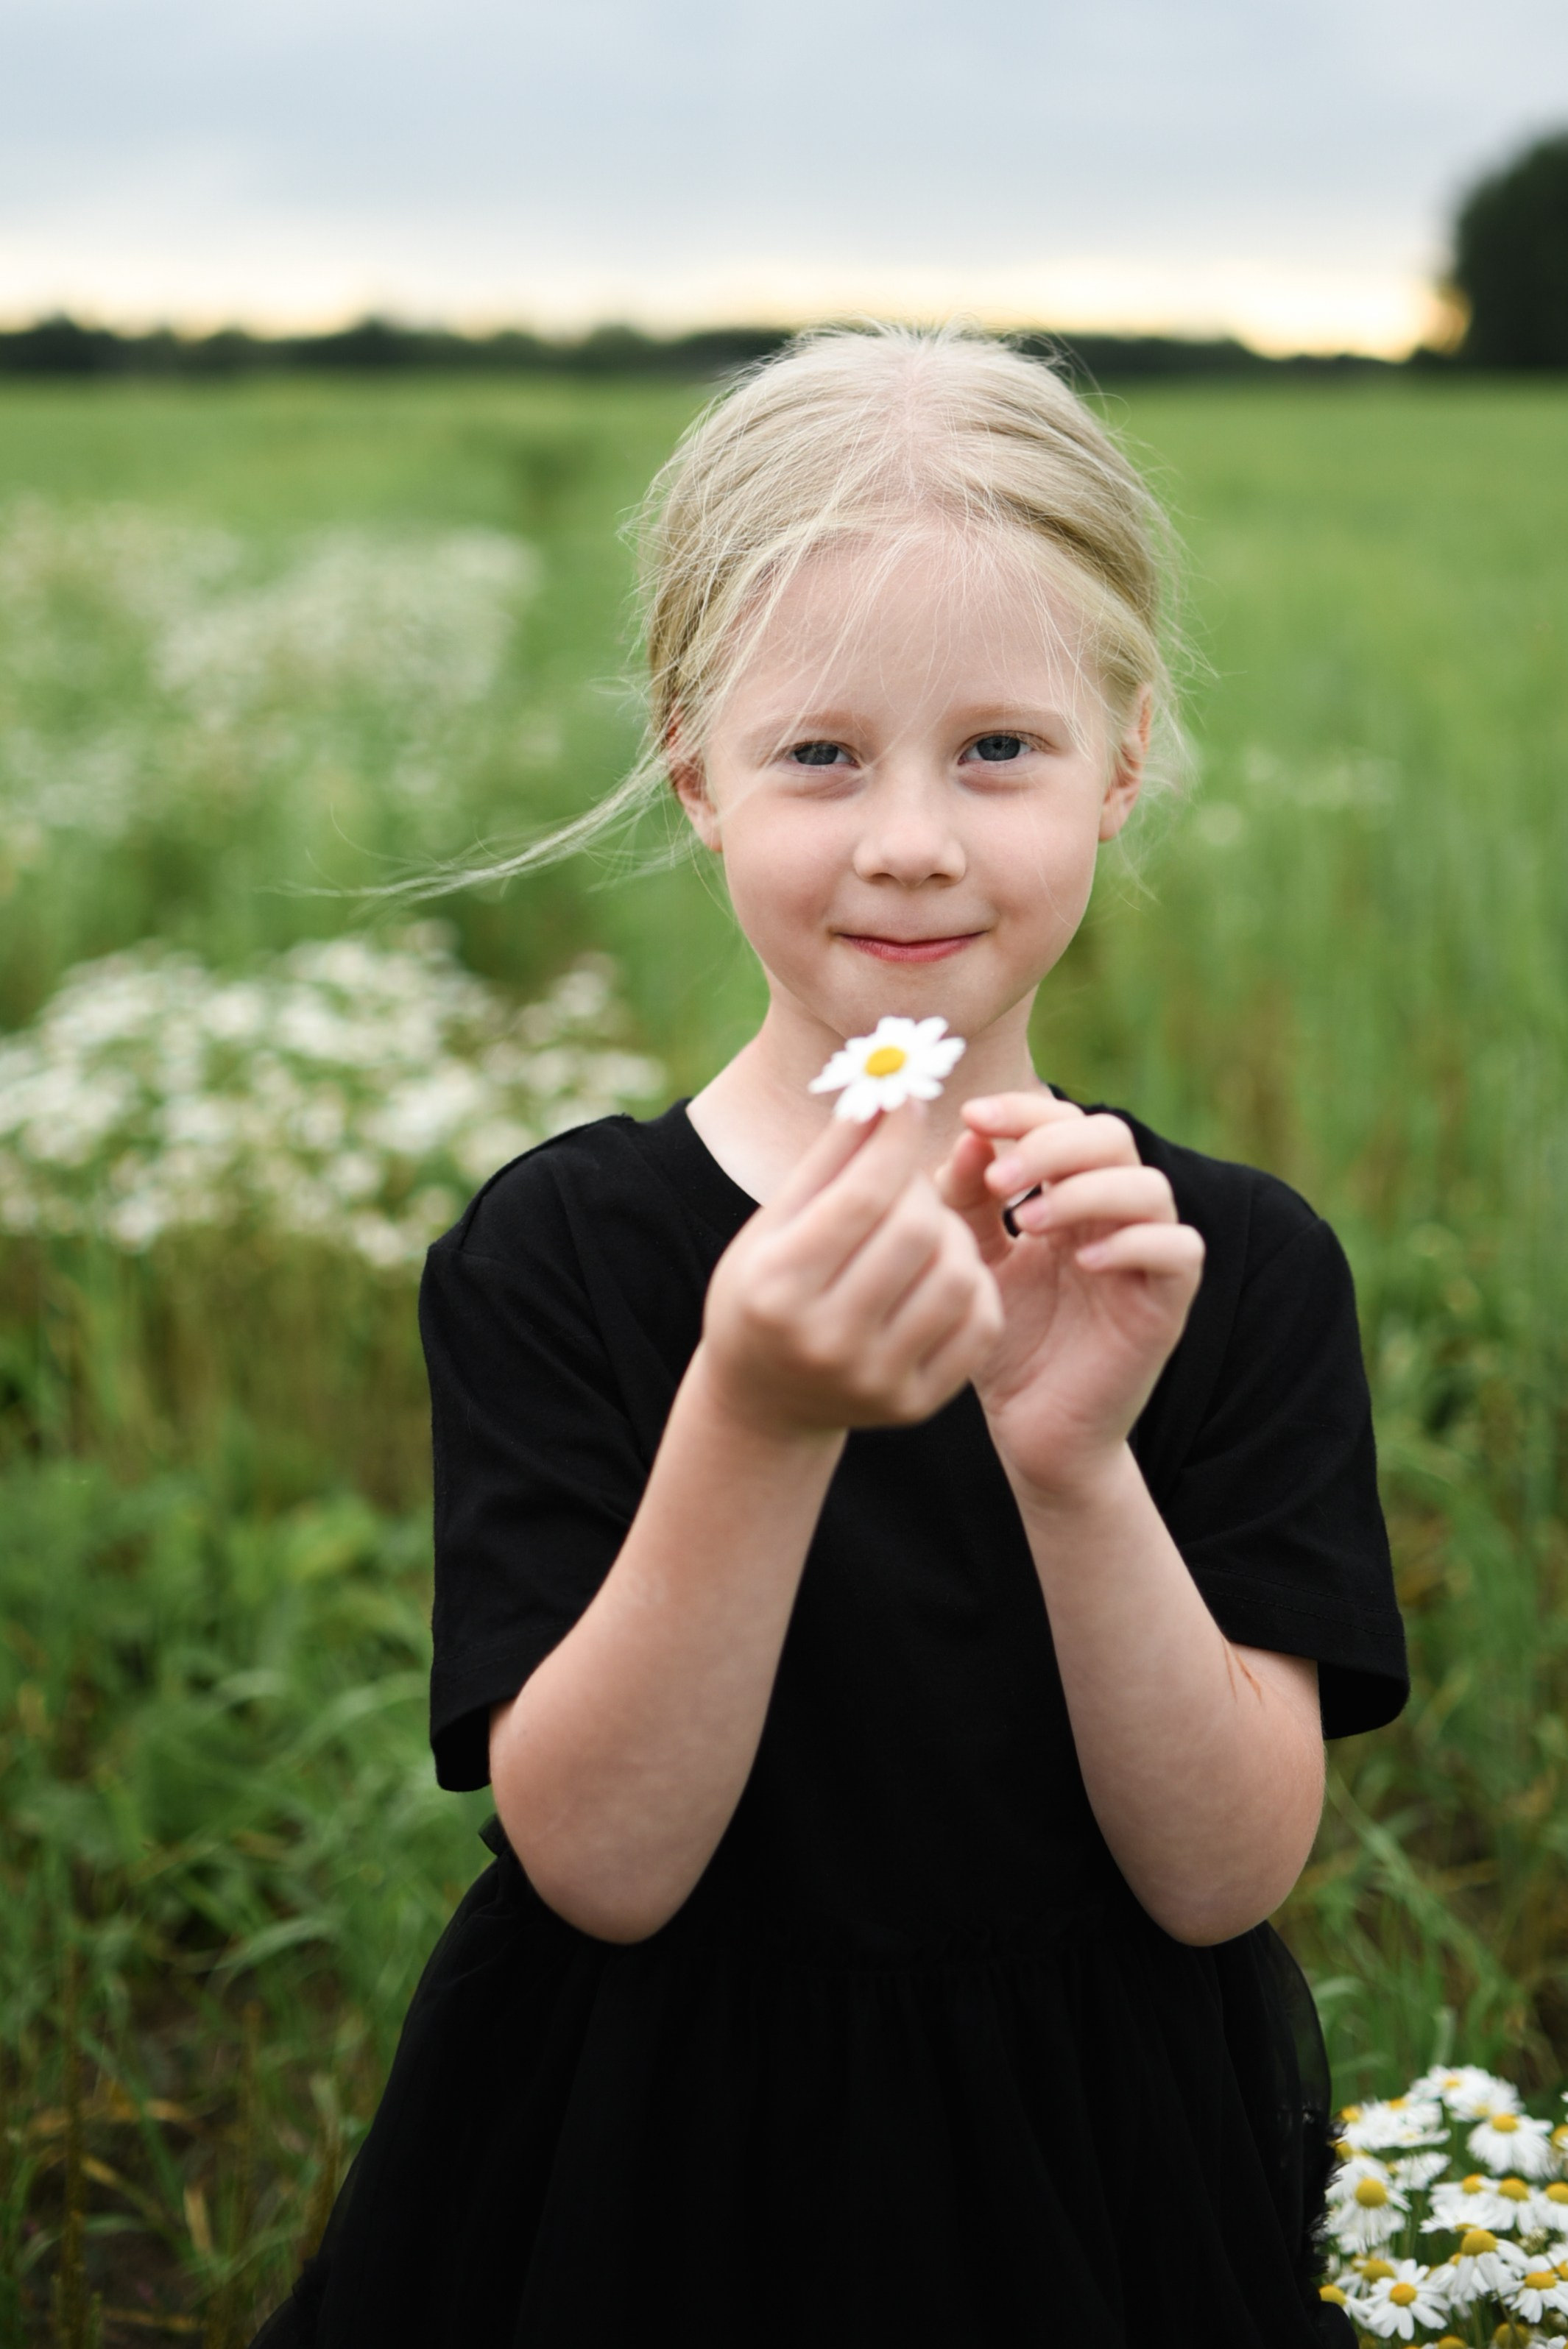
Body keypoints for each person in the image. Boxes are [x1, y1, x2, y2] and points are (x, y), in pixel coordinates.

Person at [252, 325, 1407, 2348]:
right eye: (819, 754)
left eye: (999, 747)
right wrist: (757, 1411)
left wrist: (1073, 1462)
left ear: (1125, 756)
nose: (909, 838)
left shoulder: (1215, 1265)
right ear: (692, 767)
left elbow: (1221, 1879)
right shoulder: (562, 1258)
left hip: (1097, 2145)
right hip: (648, 2145)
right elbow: (603, 1867)